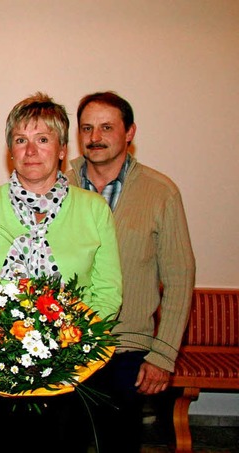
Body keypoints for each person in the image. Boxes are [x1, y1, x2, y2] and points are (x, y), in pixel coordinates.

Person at [0, 92, 123, 453]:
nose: (30, 151)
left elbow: (107, 292)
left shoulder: (93, 210)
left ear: (61, 149)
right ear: (10, 150)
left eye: (42, 140)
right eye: (20, 140)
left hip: (71, 373)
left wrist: (68, 348)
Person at [66, 91, 196, 453]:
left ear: (130, 133)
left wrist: (163, 356)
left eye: (107, 127)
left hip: (128, 350)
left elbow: (180, 277)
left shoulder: (160, 192)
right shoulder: (59, 184)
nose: (95, 137)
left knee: (119, 444)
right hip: (66, 347)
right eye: (87, 128)